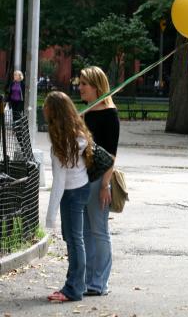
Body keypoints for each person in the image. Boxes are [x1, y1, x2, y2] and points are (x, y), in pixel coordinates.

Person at [45, 91, 94, 302]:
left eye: (46, 107)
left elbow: (59, 182)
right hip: (82, 188)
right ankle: (75, 283)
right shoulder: (78, 132)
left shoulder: (62, 142)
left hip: (72, 192)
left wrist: (49, 217)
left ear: (54, 112)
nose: (43, 110)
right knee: (74, 238)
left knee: (75, 240)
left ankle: (73, 289)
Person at [79, 66, 120, 296]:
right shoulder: (86, 112)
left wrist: (105, 185)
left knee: (99, 231)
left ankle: (99, 283)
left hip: (99, 181)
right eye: (80, 83)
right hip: (82, 179)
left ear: (96, 86)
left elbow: (111, 155)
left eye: (84, 83)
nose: (80, 87)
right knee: (85, 232)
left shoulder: (109, 114)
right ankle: (87, 280)